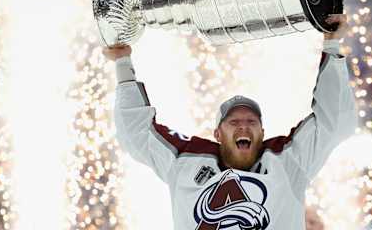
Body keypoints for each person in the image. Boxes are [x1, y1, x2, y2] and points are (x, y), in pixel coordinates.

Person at [103, 14, 357, 230]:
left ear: (263, 132)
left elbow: (333, 122)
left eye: (251, 121)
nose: (243, 125)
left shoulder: (287, 162)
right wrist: (123, 62)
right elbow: (136, 133)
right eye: (233, 122)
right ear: (217, 134)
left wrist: (332, 43)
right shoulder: (185, 163)